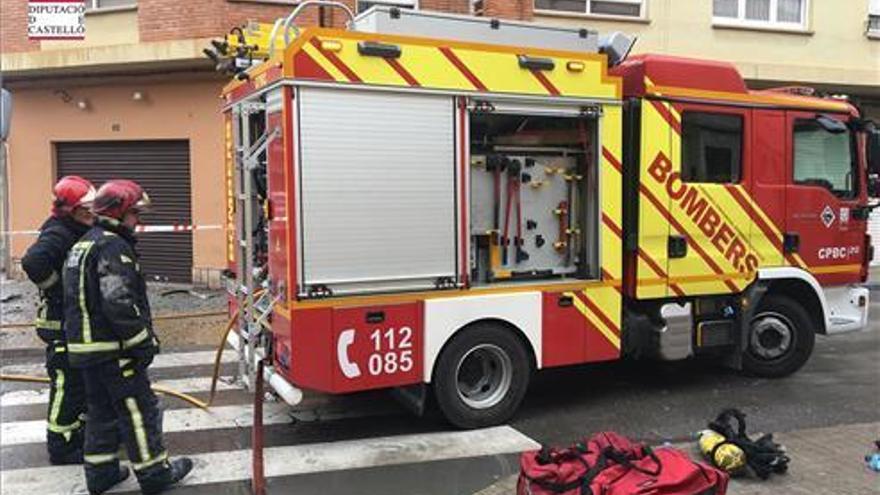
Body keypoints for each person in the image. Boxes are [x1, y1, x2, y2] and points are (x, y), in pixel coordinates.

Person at [63, 179, 193, 495]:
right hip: (113, 350)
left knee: (101, 412)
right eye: (135, 213)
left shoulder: (83, 243)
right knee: (139, 410)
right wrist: (142, 342)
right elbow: (117, 300)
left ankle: (101, 473)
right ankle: (155, 473)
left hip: (87, 350)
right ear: (118, 213)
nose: (137, 220)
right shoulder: (112, 246)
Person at [21, 175, 96, 465]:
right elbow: (33, 262)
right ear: (70, 210)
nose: (91, 214)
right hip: (59, 322)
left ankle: (77, 433)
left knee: (79, 383)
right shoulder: (59, 233)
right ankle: (60, 446)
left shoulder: (74, 228)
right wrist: (59, 289)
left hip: (71, 321)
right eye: (86, 209)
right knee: (67, 385)